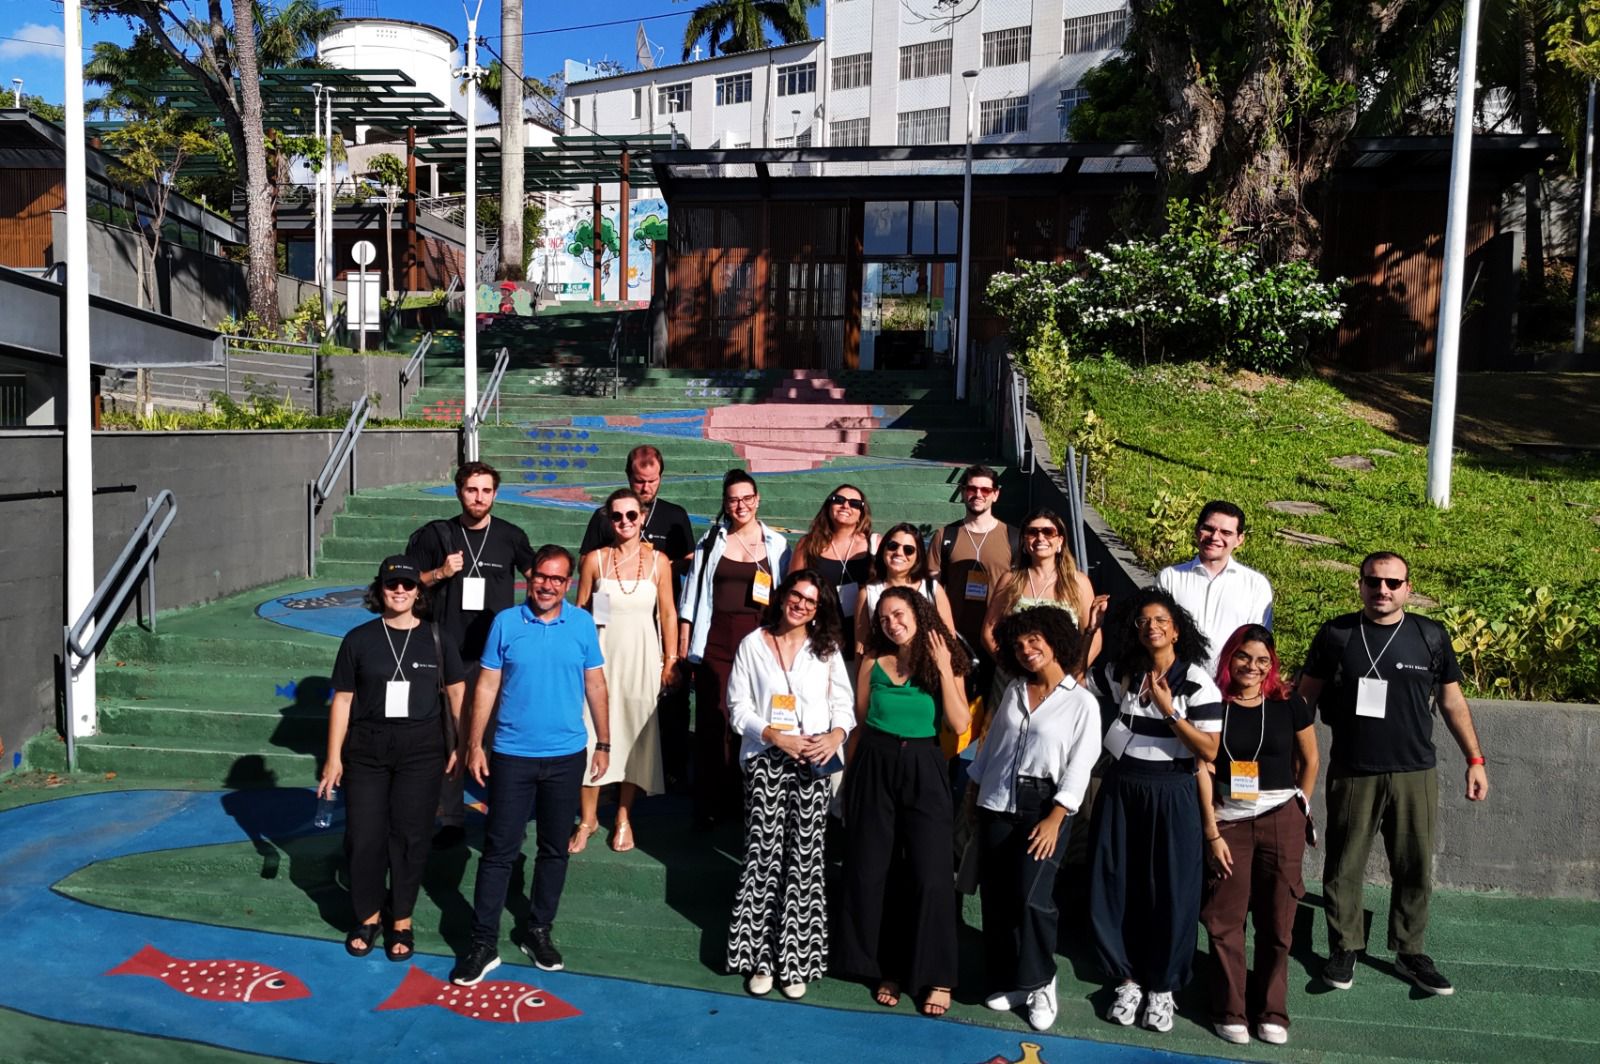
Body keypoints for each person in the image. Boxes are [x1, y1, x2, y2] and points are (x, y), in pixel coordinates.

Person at [1298, 551, 1488, 997]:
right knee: (1343, 864)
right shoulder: (1337, 634)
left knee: (1415, 866)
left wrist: (1475, 759)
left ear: (1407, 588)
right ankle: (1344, 948)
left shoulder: (1429, 636)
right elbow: (1304, 699)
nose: (1381, 590)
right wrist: (1294, 760)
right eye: (1373, 581)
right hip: (1353, 769)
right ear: (1360, 584)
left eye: (1391, 582)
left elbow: (1452, 702)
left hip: (1414, 771)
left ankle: (1409, 951)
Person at [450, 545, 610, 986]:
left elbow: (596, 684)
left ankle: (537, 929)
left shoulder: (580, 624)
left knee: (554, 849)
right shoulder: (505, 623)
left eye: (558, 579)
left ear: (569, 584)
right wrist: (475, 743)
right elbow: (485, 686)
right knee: (499, 850)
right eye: (542, 576)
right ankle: (483, 942)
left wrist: (605, 742)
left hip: (565, 755)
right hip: (512, 755)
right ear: (531, 576)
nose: (548, 585)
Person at [318, 556, 466, 961]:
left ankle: (401, 917)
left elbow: (456, 694)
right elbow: (343, 700)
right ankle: (367, 915)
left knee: (410, 836)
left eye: (406, 584)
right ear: (379, 588)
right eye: (391, 584)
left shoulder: (437, 638)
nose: (399, 590)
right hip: (367, 748)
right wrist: (333, 758)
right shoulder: (359, 639)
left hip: (422, 748)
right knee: (364, 836)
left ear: (419, 590)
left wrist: (462, 744)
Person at [1088, 587, 1222, 1034]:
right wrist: (1092, 628)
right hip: (1124, 786)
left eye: (1161, 621)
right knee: (1116, 880)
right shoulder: (1122, 672)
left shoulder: (1198, 682)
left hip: (1174, 791)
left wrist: (1169, 712)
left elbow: (1208, 749)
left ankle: (1163, 988)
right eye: (1144, 621)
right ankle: (1127, 979)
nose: (1152, 627)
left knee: (1173, 888)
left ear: (1177, 630)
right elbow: (1072, 675)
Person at [837, 587, 972, 1018]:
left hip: (923, 764)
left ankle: (938, 975)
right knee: (876, 869)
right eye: (884, 618)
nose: (892, 623)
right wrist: (848, 781)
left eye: (899, 614)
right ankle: (887, 968)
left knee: (932, 873)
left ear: (919, 613)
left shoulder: (944, 658)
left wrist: (944, 669)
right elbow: (858, 721)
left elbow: (959, 721)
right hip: (874, 763)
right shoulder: (873, 660)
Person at [967, 606, 1101, 1032]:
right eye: (1019, 644)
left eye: (1035, 639)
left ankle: (1042, 979)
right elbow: (992, 746)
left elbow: (1082, 763)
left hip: (1043, 805)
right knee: (1000, 896)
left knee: (1033, 898)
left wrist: (1057, 816)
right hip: (997, 800)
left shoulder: (1081, 702)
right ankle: (1014, 980)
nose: (1027, 650)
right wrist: (974, 790)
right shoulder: (1013, 691)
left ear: (1056, 639)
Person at [724, 569, 855, 999]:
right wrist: (774, 735)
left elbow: (844, 706)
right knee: (762, 859)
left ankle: (795, 960)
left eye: (811, 601)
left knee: (805, 862)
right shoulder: (752, 644)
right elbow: (737, 706)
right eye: (796, 596)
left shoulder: (827, 649)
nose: (801, 604)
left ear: (819, 610)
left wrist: (836, 736)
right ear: (782, 597)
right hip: (766, 760)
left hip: (815, 764)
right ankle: (760, 958)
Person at [1198, 624, 1319, 1046]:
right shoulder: (1211, 704)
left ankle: (1271, 1011)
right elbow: (1202, 765)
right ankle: (1229, 1008)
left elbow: (1310, 759)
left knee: (1277, 920)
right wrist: (1211, 828)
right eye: (1244, 657)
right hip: (1228, 819)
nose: (1252, 666)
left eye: (1262, 660)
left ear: (1272, 665)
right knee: (1224, 918)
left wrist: (1300, 805)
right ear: (1230, 657)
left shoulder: (1288, 704)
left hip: (1279, 816)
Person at [407, 461, 535, 850]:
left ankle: (500, 810)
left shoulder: (511, 537)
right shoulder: (436, 535)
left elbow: (538, 581)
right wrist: (440, 573)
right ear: (458, 492)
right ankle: (450, 817)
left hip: (496, 655)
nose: (478, 497)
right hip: (447, 651)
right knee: (449, 736)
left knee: (498, 736)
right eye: (471, 490)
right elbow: (406, 583)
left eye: (485, 490)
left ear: (496, 494)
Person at [579, 445, 697, 792]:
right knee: (603, 707)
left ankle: (666, 771)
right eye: (639, 481)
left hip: (652, 618)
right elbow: (590, 568)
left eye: (652, 481)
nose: (646, 487)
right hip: (610, 619)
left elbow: (687, 562)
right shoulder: (607, 516)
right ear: (629, 477)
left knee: (661, 708)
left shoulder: (674, 514)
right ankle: (601, 779)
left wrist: (652, 566)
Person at [568, 489, 680, 854]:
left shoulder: (659, 562)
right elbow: (581, 612)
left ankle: (622, 816)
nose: (625, 522)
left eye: (632, 515)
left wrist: (671, 659)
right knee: (590, 736)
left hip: (643, 660)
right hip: (600, 661)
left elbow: (668, 614)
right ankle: (588, 819)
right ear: (609, 520)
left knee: (633, 736)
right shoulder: (594, 560)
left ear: (642, 517)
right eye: (617, 516)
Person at [679, 469, 790, 829]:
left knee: (755, 721)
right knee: (716, 720)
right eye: (733, 499)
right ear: (725, 504)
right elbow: (691, 598)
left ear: (757, 499)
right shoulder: (711, 541)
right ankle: (712, 800)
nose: (740, 505)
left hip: (760, 643)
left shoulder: (777, 545)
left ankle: (751, 800)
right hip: (717, 641)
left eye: (746, 498)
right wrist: (683, 648)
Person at [930, 464, 1019, 692]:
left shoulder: (1013, 538)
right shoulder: (945, 536)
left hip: (998, 642)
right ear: (962, 492)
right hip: (956, 640)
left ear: (996, 494)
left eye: (985, 490)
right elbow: (932, 589)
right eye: (971, 488)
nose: (977, 494)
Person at [980, 508, 1103, 672]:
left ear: (1060, 541)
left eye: (1048, 532)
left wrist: (1073, 675)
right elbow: (988, 632)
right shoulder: (1010, 580)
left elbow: (1094, 637)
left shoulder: (1078, 582)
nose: (1040, 538)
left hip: (1062, 682)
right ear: (1024, 541)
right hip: (1016, 681)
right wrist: (1012, 669)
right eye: (1032, 532)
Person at [1157, 501, 1273, 675]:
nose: (1215, 537)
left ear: (1239, 539)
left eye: (1226, 532)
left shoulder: (1256, 585)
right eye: (1209, 529)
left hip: (1229, 686)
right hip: (1176, 682)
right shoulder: (1171, 577)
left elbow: (1258, 643)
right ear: (1197, 530)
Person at [854, 522, 957, 656]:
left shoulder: (932, 589)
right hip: (883, 670)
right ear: (883, 549)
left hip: (926, 670)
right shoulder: (868, 593)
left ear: (917, 556)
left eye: (908, 549)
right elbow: (861, 645)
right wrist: (859, 675)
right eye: (893, 546)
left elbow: (950, 640)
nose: (899, 553)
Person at [789, 484, 875, 631]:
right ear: (829, 505)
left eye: (854, 503)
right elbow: (791, 587)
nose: (845, 506)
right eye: (839, 500)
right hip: (817, 629)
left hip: (860, 631)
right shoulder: (808, 544)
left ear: (862, 513)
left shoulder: (872, 545)